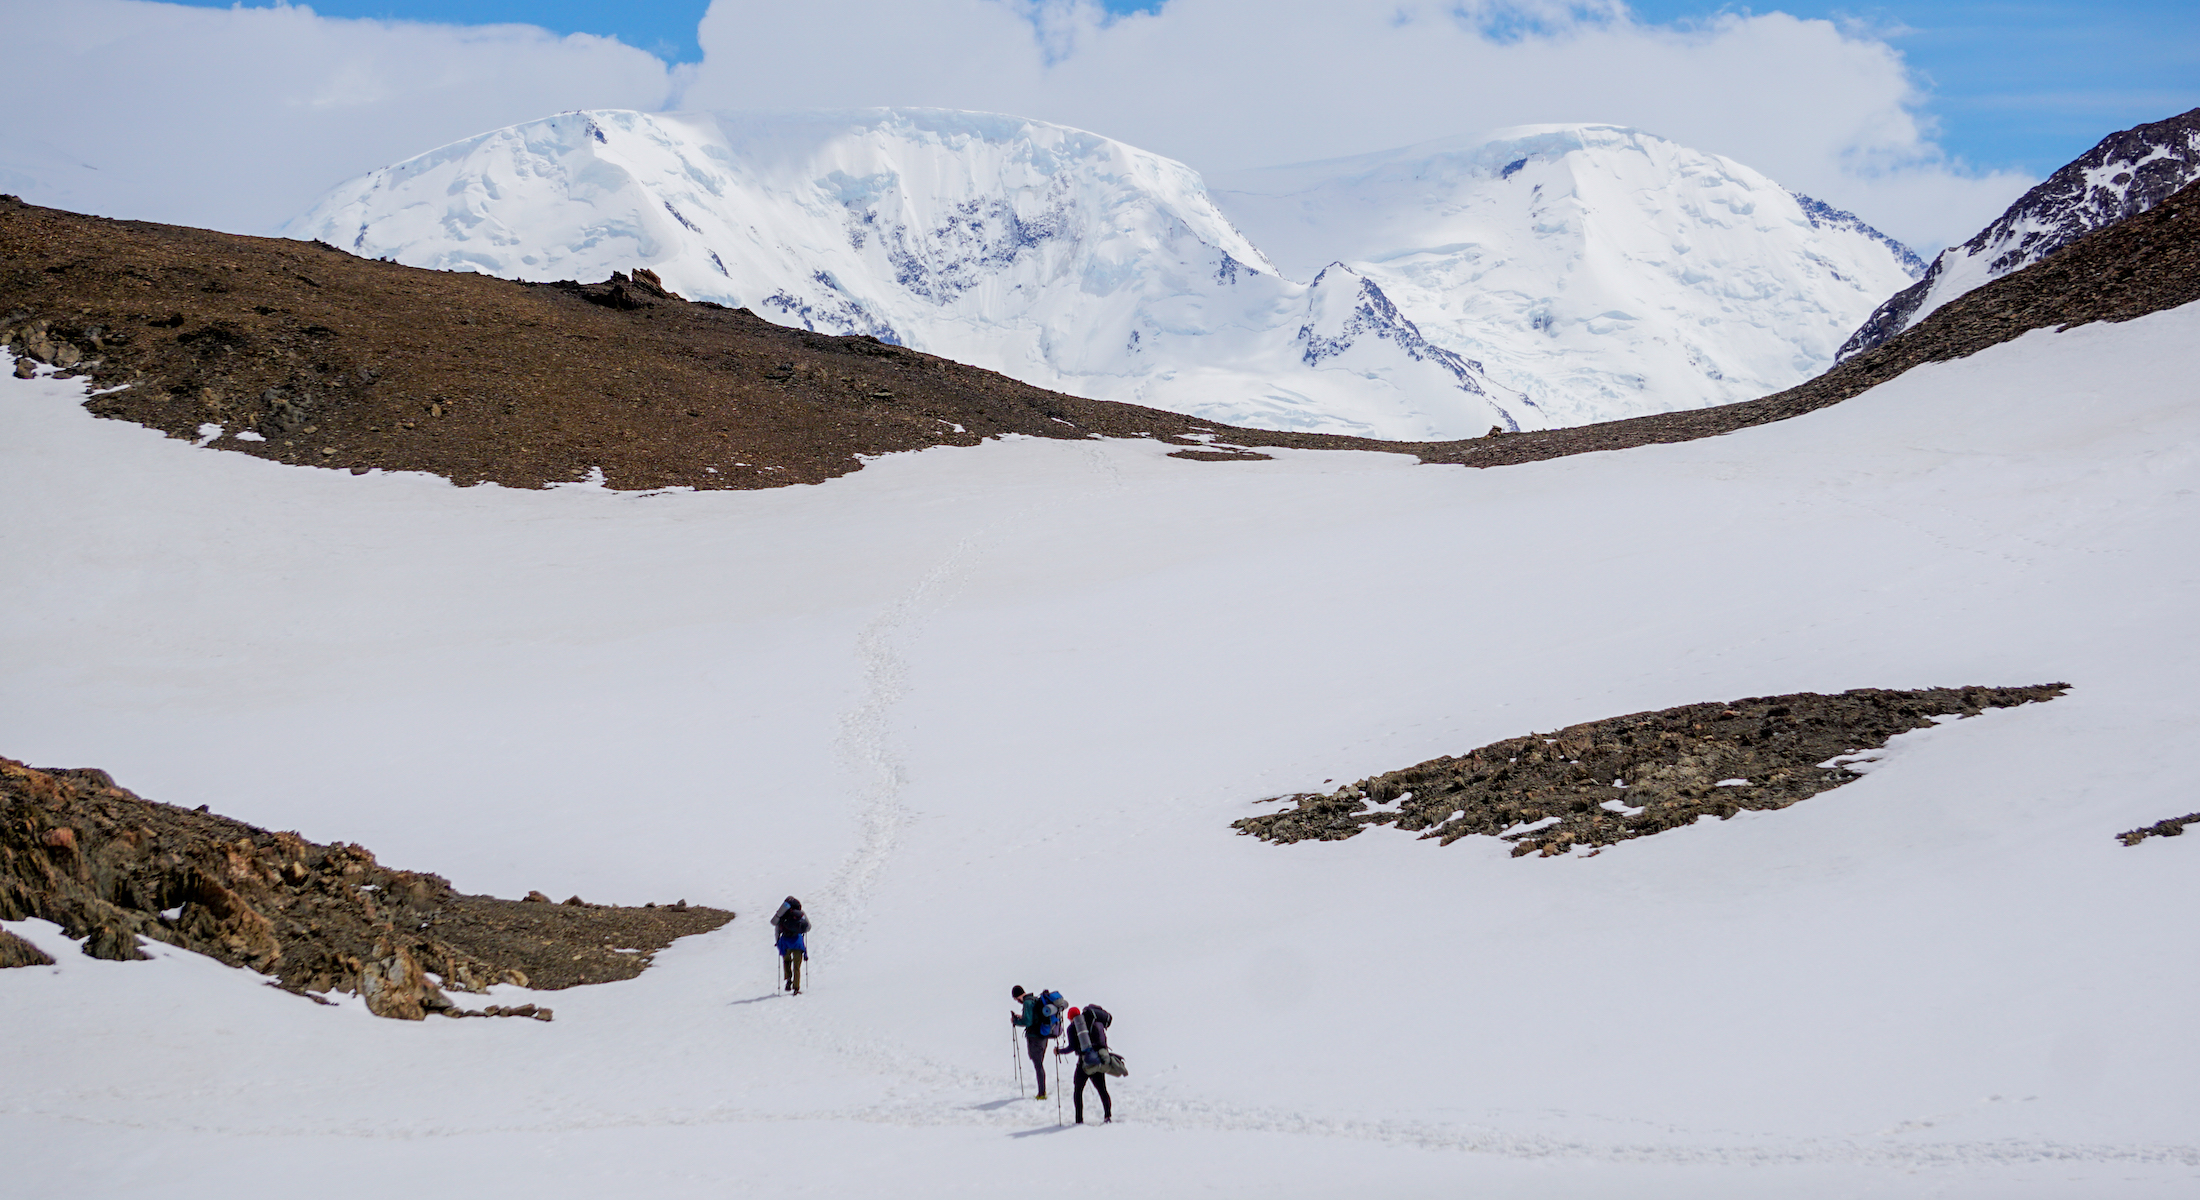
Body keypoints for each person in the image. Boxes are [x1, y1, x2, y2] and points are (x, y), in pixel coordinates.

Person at [1056, 1004, 1114, 1124]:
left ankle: (1079, 1120)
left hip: (1084, 1063)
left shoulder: (1072, 1028)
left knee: (1078, 1090)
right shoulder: (1096, 1023)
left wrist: (1059, 1051)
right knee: (1102, 1090)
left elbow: (1071, 1047)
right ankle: (1108, 1116)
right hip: (1098, 1060)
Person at [1010, 985, 1053, 1100]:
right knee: (1039, 1064)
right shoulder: (1034, 1000)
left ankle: (1041, 1093)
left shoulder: (1027, 1003)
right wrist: (1021, 1017)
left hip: (1035, 1038)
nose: (1017, 1001)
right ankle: (1042, 1091)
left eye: (1015, 999)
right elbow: (1033, 1017)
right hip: (1043, 1036)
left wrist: (1016, 1021)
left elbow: (1027, 1021)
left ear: (1017, 996)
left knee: (1038, 1065)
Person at [772, 897, 810, 994]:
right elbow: (808, 927)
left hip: (785, 942)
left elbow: (776, 929)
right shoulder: (800, 914)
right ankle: (796, 988)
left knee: (787, 961)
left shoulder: (782, 915)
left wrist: (777, 942)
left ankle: (788, 979)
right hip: (797, 942)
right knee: (797, 966)